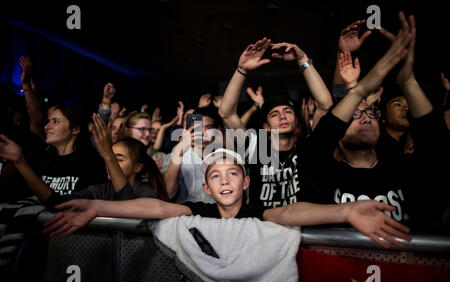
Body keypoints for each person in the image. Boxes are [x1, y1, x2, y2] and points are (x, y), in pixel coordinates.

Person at [42, 148, 411, 249]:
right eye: (214, 175)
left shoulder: (258, 210)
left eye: (232, 173)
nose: (224, 180)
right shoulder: (199, 209)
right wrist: (95, 206)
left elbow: (289, 212)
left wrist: (346, 211)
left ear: (245, 181)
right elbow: (155, 206)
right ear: (206, 188)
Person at [304, 12, 450, 232]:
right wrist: (356, 88)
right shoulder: (325, 174)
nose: (365, 116)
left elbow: (436, 143)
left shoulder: (403, 169)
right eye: (354, 115)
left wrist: (408, 81)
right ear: (339, 132)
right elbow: (322, 136)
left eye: (371, 113)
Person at [218, 37, 333, 208]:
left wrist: (302, 60)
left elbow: (325, 104)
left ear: (295, 120)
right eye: (275, 114)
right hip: (262, 230)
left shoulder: (306, 148)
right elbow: (226, 113)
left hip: (299, 230)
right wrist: (241, 70)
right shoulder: (258, 147)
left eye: (287, 111)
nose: (282, 117)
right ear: (266, 127)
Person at [0, 105, 107, 199]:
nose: (46, 127)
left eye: (55, 121)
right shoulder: (42, 160)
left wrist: (19, 161)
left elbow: (65, 204)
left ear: (75, 129)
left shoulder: (92, 164)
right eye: (48, 121)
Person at [162, 106, 223, 203]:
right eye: (198, 127)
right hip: (185, 215)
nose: (203, 132)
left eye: (209, 128)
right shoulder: (174, 156)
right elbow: (168, 193)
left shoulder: (226, 157)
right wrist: (179, 152)